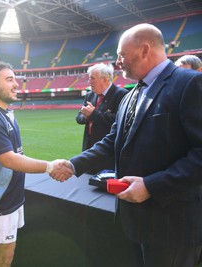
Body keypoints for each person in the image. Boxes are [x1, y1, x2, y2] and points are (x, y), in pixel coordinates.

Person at [68, 23, 202, 266]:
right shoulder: (131, 95)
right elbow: (112, 141)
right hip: (136, 221)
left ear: (144, 50)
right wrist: (71, 165)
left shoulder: (190, 84)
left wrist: (151, 186)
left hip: (172, 226)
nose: (117, 62)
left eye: (121, 55)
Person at [0, 61, 72, 267]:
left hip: (10, 195)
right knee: (5, 255)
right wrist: (50, 166)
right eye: (9, 80)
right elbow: (9, 159)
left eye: (15, 79)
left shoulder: (5, 113)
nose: (16, 84)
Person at [75, 63, 128, 173]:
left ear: (105, 79)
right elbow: (79, 118)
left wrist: (94, 114)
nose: (89, 82)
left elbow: (120, 121)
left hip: (108, 152)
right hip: (89, 148)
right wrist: (85, 116)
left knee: (103, 184)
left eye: (92, 78)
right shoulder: (90, 95)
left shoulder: (121, 94)